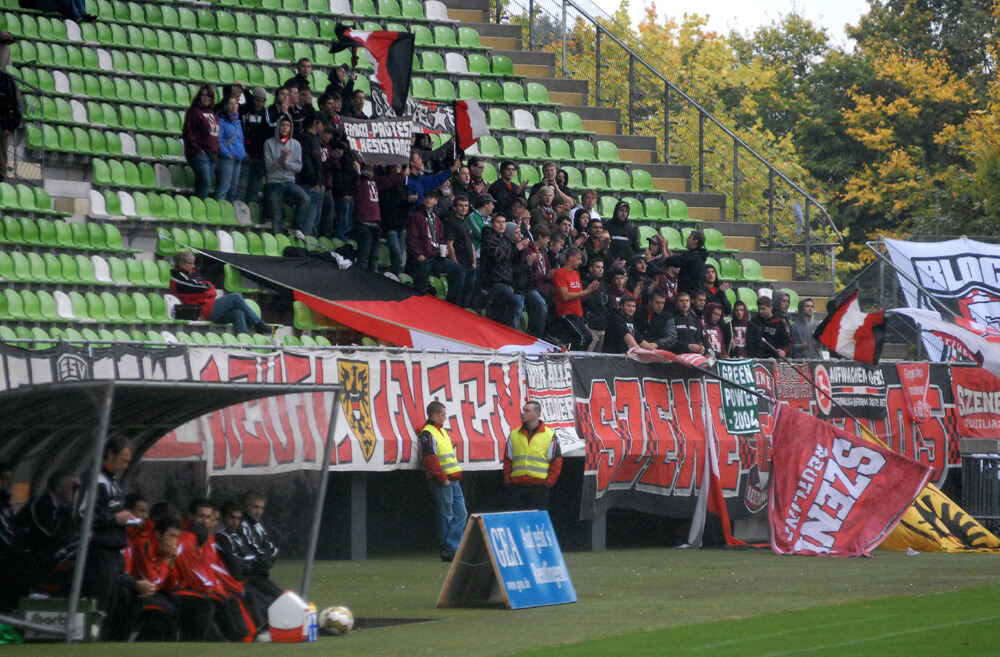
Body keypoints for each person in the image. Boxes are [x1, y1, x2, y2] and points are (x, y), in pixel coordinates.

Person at [77, 438, 154, 640]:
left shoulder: (113, 482)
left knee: (119, 601)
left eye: (128, 462)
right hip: (98, 552)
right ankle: (92, 643)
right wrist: (114, 518)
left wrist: (124, 518)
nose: (125, 466)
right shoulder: (94, 479)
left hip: (114, 552)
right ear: (110, 454)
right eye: (123, 460)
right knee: (99, 605)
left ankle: (111, 643)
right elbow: (82, 514)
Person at [173, 499, 257, 642]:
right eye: (201, 516)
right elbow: (199, 575)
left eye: (208, 517)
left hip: (200, 587)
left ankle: (248, 636)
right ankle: (235, 640)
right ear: (191, 516)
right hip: (181, 588)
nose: (205, 521)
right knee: (220, 599)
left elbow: (208, 567)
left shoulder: (204, 537)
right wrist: (216, 587)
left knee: (238, 596)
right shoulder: (187, 540)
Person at [170, 252, 270, 334]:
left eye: (193, 263)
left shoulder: (191, 274)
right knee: (236, 297)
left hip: (205, 306)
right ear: (181, 264)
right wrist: (208, 290)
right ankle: (259, 324)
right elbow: (202, 289)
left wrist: (208, 290)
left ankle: (244, 344)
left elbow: (209, 287)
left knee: (238, 313)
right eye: (190, 263)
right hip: (198, 310)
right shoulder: (178, 277)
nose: (193, 266)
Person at [418, 401, 468, 562]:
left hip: (452, 480)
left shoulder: (440, 432)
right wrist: (442, 478)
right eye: (443, 415)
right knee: (447, 515)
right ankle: (449, 549)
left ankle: (452, 547)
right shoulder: (428, 433)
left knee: (460, 514)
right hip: (443, 480)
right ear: (434, 415)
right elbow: (429, 458)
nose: (445, 418)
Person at [406, 190, 465, 303]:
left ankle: (452, 303)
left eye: (431, 198)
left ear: (436, 201)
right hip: (422, 258)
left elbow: (441, 238)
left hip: (436, 256)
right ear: (423, 200)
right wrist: (418, 255)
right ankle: (416, 306)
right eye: (426, 198)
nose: (428, 200)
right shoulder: (416, 216)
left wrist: (444, 249)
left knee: (458, 270)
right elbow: (411, 238)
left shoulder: (436, 219)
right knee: (420, 290)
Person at [503, 401, 562, 511]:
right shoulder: (514, 435)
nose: (523, 413)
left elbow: (556, 462)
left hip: (539, 489)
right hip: (518, 488)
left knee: (537, 523)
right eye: (523, 410)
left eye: (527, 411)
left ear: (537, 413)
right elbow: (508, 460)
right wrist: (508, 482)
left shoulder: (549, 436)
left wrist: (548, 484)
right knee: (519, 521)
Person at [351, 161, 405, 271]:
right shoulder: (359, 181)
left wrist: (399, 173)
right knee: (364, 258)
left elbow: (390, 181)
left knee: (373, 258)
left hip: (375, 225)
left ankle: (370, 283)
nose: (371, 168)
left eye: (372, 166)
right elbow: (355, 187)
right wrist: (357, 172)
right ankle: (360, 282)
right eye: (369, 166)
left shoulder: (375, 181)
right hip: (363, 224)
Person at [263, 116, 311, 237]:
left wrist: (286, 163)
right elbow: (268, 167)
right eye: (283, 125)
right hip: (273, 182)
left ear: (291, 128)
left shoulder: (296, 145)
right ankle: (277, 238)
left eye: (287, 126)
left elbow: (298, 167)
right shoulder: (269, 143)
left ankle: (295, 227)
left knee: (305, 199)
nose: (285, 128)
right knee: (277, 214)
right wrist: (280, 160)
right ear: (278, 127)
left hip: (290, 181)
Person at [238, 491, 283, 609]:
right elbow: (254, 551)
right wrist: (265, 557)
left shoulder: (258, 526)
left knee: (281, 597)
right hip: (249, 576)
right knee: (278, 597)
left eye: (261, 508)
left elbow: (273, 548)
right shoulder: (242, 525)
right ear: (245, 507)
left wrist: (266, 557)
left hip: (260, 574)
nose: (258, 512)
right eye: (255, 507)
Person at [552, 247, 598, 351]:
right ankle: (577, 360)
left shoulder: (576, 274)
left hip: (578, 314)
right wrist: (586, 291)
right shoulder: (560, 273)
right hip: (567, 313)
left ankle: (572, 360)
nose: (580, 262)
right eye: (578, 258)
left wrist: (590, 291)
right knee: (586, 337)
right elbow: (565, 296)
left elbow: (580, 297)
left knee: (577, 339)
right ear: (571, 258)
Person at [479, 213, 520, 327]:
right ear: (492, 224)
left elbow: (512, 262)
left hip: (506, 282)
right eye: (498, 222)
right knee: (515, 302)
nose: (501, 225)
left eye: (503, 222)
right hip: (493, 281)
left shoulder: (506, 240)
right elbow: (498, 256)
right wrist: (517, 248)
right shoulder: (488, 238)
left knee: (499, 311)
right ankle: (508, 332)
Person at [182, 85, 220, 199]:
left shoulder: (212, 112)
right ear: (199, 96)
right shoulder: (194, 111)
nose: (206, 98)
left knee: (203, 183)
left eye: (209, 96)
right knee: (205, 182)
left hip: (212, 154)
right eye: (204, 95)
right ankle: (199, 205)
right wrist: (198, 149)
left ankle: (196, 205)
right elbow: (188, 132)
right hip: (199, 153)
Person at [444, 194, 479, 308]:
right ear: (454, 207)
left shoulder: (466, 224)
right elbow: (449, 244)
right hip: (460, 266)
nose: (464, 208)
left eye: (466, 206)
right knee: (455, 298)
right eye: (461, 206)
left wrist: (474, 263)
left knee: (466, 298)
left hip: (470, 266)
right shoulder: (451, 222)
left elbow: (472, 244)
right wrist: (455, 263)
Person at [239, 87, 270, 203]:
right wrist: (245, 90)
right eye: (257, 100)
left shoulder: (266, 115)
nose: (259, 103)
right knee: (241, 188)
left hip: (259, 158)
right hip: (245, 156)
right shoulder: (244, 111)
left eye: (262, 101)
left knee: (254, 190)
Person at [297, 116, 326, 237]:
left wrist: (321, 182)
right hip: (309, 184)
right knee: (309, 218)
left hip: (317, 184)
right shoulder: (305, 139)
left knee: (315, 219)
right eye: (322, 124)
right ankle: (305, 243)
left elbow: (318, 164)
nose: (323, 128)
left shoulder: (315, 139)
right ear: (316, 122)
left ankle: (310, 244)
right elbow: (306, 162)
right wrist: (313, 181)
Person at [215, 96, 247, 202]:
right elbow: (218, 140)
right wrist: (227, 154)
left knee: (233, 189)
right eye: (231, 103)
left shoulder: (237, 122)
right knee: (224, 187)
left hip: (238, 159)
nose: (234, 106)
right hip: (227, 159)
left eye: (236, 103)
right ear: (226, 106)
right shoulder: (222, 121)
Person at [581, 257, 610, 352]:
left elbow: (605, 304)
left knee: (598, 360)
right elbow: (582, 303)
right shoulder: (584, 283)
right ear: (590, 268)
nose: (601, 269)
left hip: (602, 327)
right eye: (597, 267)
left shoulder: (603, 285)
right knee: (587, 357)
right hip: (591, 327)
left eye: (602, 267)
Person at [670, 291, 705, 355]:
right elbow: (669, 340)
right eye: (681, 301)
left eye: (687, 300)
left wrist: (701, 348)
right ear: (676, 303)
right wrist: (687, 346)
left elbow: (699, 340)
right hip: (675, 357)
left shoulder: (695, 320)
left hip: (692, 358)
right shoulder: (670, 318)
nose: (684, 303)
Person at [677, 229, 708, 295]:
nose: (686, 239)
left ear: (695, 241)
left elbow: (671, 261)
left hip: (689, 294)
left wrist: (663, 247)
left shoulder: (691, 257)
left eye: (689, 238)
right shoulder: (700, 256)